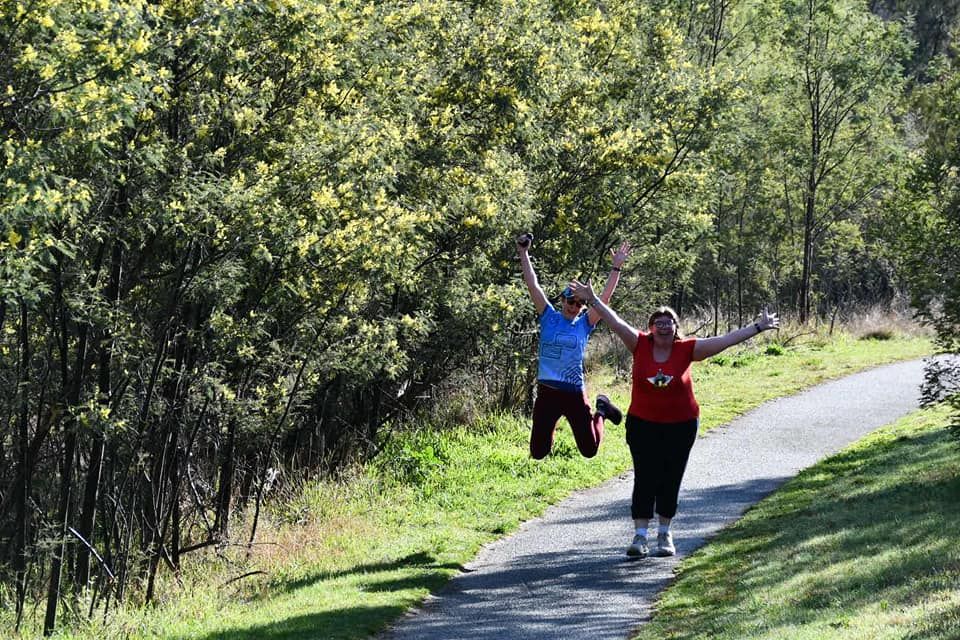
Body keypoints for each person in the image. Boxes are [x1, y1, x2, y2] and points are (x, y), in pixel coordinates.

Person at [567, 279, 779, 558]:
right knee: (644, 478)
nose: (664, 325)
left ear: (677, 328)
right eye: (658, 322)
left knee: (671, 478)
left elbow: (724, 341)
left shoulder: (687, 349)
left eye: (670, 322)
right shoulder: (639, 344)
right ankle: (640, 537)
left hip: (681, 426)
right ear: (650, 327)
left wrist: (758, 327)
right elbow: (615, 321)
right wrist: (593, 299)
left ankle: (665, 534)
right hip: (643, 424)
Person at [517, 234, 631, 459]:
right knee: (538, 452)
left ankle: (601, 410)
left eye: (579, 303)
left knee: (590, 450)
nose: (574, 306)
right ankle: (549, 431)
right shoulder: (548, 316)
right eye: (571, 301)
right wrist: (523, 252)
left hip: (573, 394)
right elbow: (532, 283)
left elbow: (605, 299)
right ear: (562, 301)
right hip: (547, 393)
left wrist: (616, 268)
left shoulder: (585, 323)